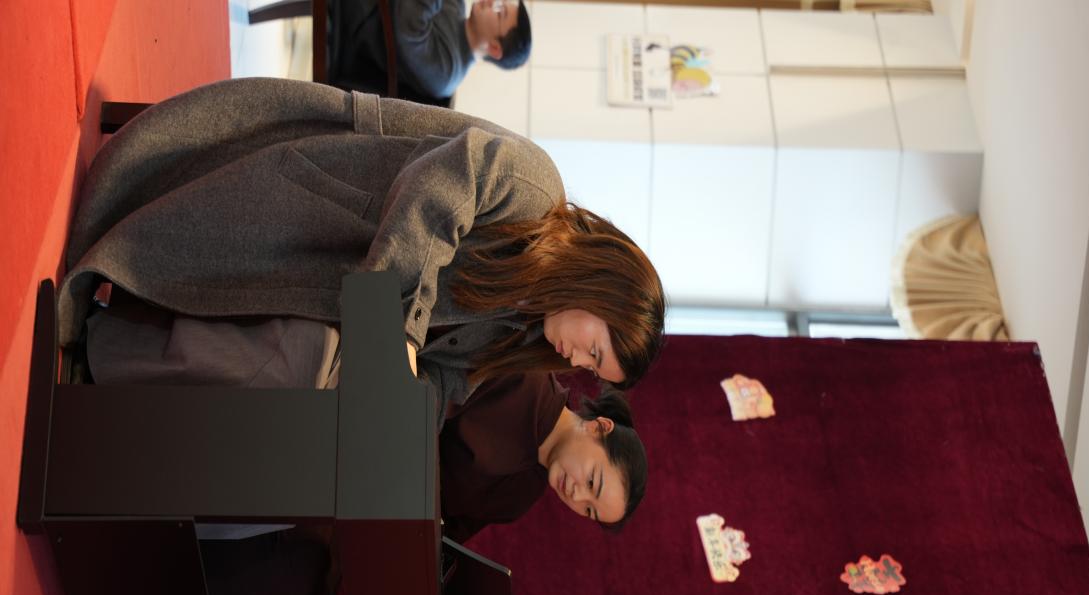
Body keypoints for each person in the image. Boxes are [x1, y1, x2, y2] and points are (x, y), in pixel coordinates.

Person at [59, 77, 665, 428]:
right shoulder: (538, 192)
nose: (575, 360)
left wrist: (404, 415)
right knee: (298, 366)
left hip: (349, 280)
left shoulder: (522, 333)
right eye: (595, 349)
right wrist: (397, 336)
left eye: (590, 369)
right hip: (339, 194)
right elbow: (436, 195)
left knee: (308, 421)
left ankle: (116, 399)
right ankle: (109, 352)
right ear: (601, 291)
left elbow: (448, 382)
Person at [440, 373, 646, 542]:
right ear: (598, 428)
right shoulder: (527, 379)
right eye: (592, 482)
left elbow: (443, 541)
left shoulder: (522, 498)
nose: (576, 497)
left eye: (588, 510)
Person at [332, 0, 532, 103]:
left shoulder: (448, 73)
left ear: (495, 48)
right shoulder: (458, 6)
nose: (492, 2)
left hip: (354, 21)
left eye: (500, 11)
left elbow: (409, 26)